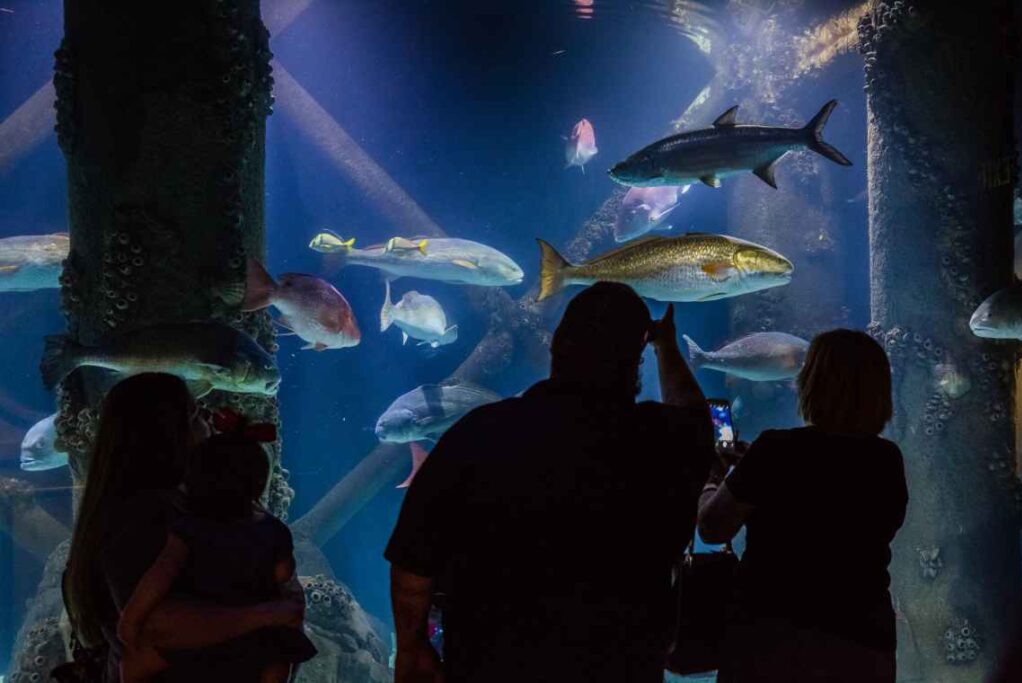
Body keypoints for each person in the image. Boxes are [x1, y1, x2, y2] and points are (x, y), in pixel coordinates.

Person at [385, 281, 715, 683]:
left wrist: (412, 646)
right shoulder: (660, 438)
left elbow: (412, 560)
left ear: (557, 347)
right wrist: (665, 346)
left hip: (491, 664)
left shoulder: (480, 432)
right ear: (635, 360)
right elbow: (697, 418)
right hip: (619, 665)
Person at [63, 373, 304, 682]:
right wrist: (269, 613)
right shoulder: (143, 517)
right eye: (197, 416)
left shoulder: (171, 509)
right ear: (164, 435)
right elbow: (157, 624)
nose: (211, 425)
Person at [699, 329, 908, 683]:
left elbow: (712, 527)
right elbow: (837, 503)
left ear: (812, 384)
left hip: (772, 641)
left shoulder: (775, 451)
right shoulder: (886, 460)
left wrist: (713, 478)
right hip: (861, 644)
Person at [117, 419, 317, 683]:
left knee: (132, 666)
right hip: (256, 642)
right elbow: (285, 575)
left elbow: (157, 577)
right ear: (259, 483)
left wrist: (129, 623)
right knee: (279, 658)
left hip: (192, 641)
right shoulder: (273, 530)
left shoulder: (187, 529)